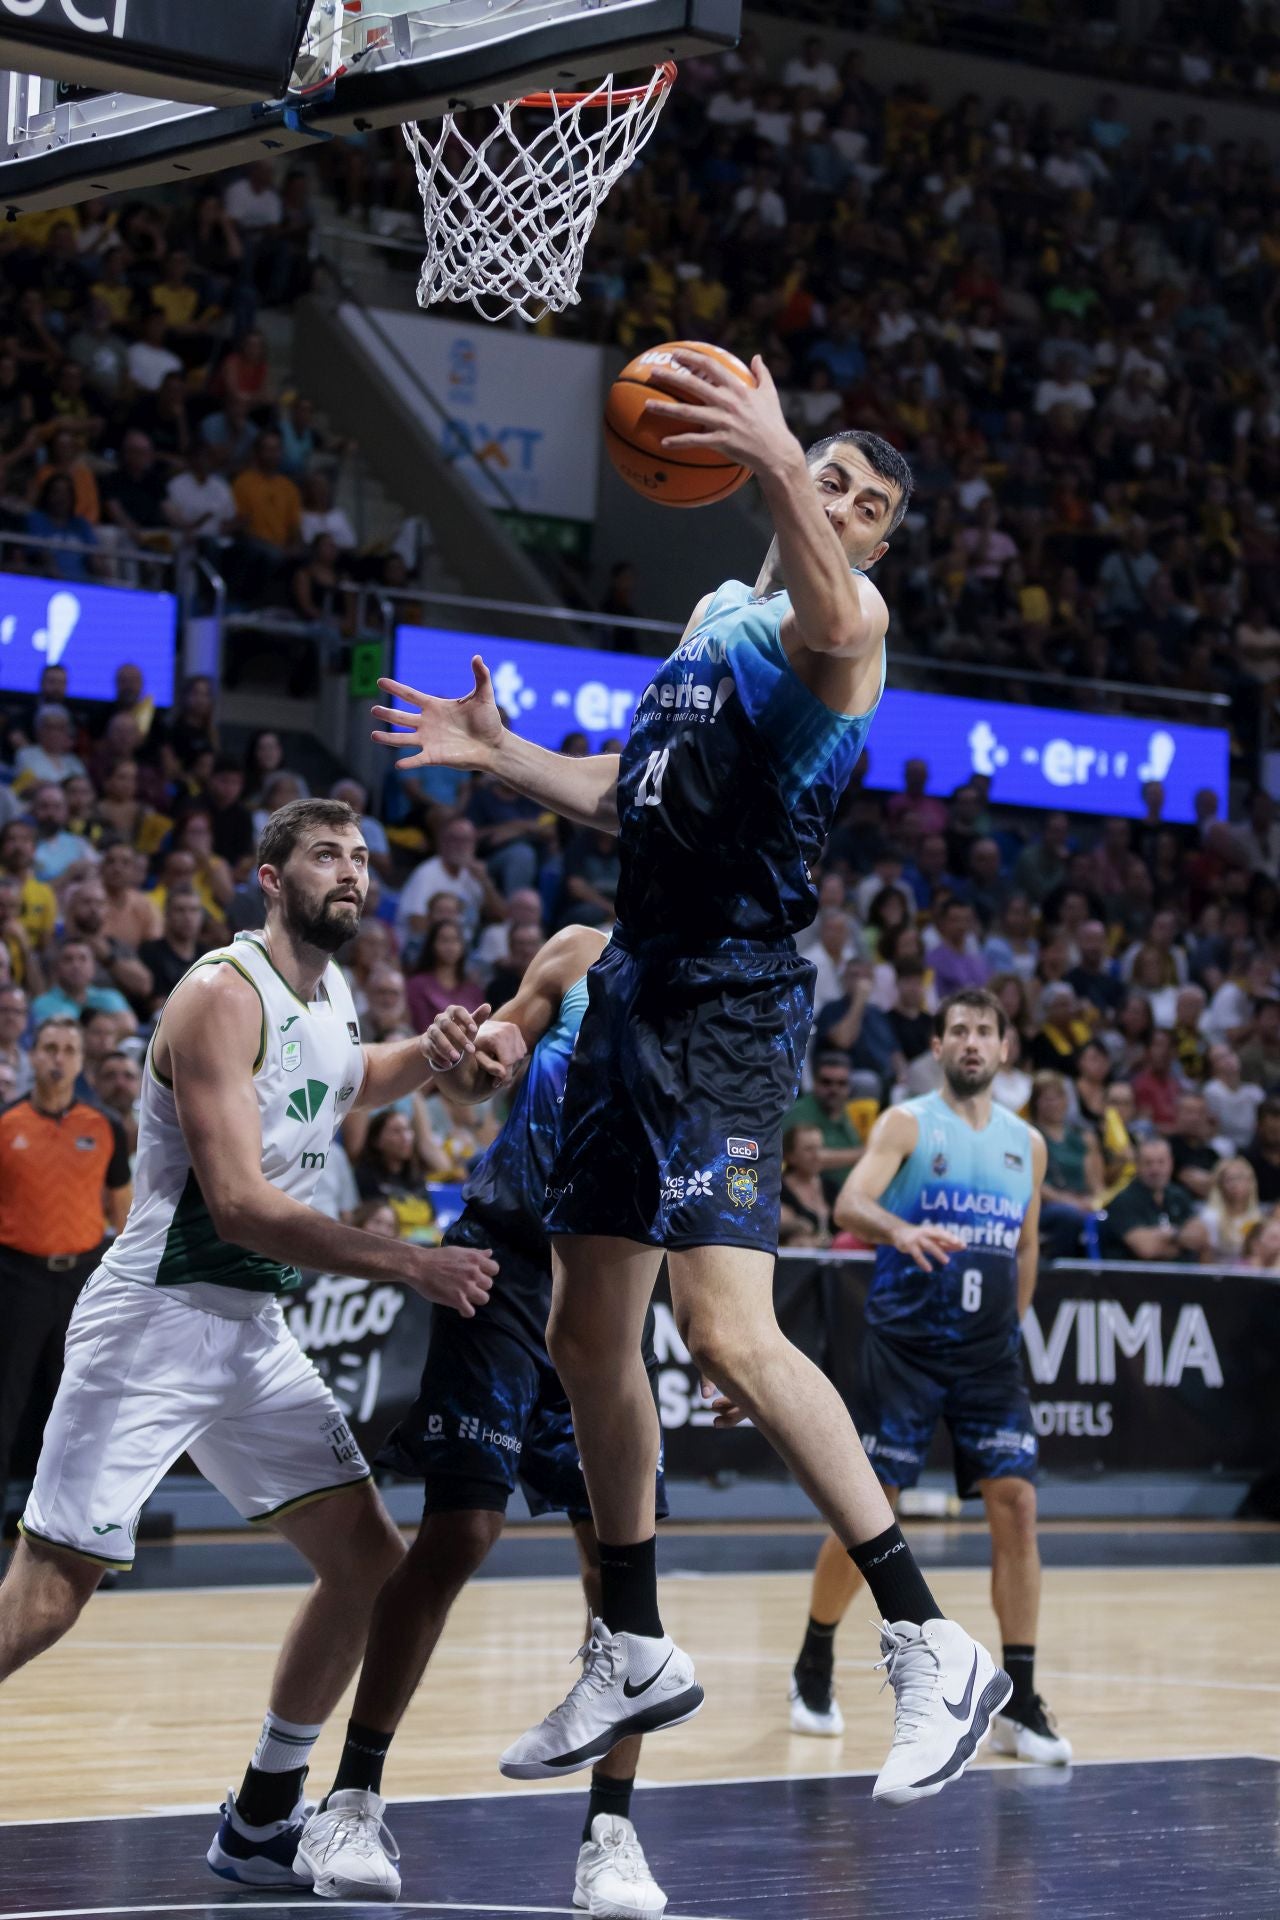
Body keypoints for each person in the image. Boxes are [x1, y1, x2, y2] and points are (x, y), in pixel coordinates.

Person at [374, 392, 1005, 1812]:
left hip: (730, 1003)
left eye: (869, 502)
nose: (843, 506)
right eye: (830, 482)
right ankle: (633, 1639)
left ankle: (926, 1638)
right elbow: (631, 792)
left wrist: (785, 455)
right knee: (585, 1325)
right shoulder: (718, 612)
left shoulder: (841, 637)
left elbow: (838, 623)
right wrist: (507, 758)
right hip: (633, 999)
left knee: (721, 1329)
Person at [0, 800, 497, 1891]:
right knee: (50, 1592)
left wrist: (435, 1048)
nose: (351, 874)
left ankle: (262, 1817)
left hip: (248, 1332)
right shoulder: (222, 996)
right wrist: (408, 1263)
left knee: (370, 1565)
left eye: (362, 859)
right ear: (268, 878)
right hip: (157, 1321)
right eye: (326, 855)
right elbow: (236, 1206)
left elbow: (354, 1079)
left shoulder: (326, 1001)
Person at [295, 930, 668, 1913]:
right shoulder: (577, 953)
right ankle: (351, 1800)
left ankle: (610, 1836)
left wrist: (725, 1332)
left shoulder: (732, 991)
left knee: (620, 1569)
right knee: (460, 1531)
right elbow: (478, 1081)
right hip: (500, 1264)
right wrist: (472, 1064)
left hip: (615, 1290)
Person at [788, 989, 1068, 1767]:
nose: (972, 1042)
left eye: (985, 1031)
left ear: (1005, 1051)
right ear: (938, 1048)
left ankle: (1021, 1695)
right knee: (870, 1506)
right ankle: (814, 1658)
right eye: (959, 1032)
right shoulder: (908, 1122)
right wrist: (900, 1227)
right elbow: (850, 1200)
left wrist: (1013, 1323)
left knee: (1016, 1508)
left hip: (987, 1356)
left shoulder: (1028, 1145)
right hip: (904, 1347)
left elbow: (1027, 1244)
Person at [0, 1016, 132, 1528]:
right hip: (16, 1276)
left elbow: (126, 1214)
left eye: (68, 1050)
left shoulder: (103, 1127)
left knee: (74, 1409)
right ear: (33, 1056)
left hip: (81, 1281)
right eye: (49, 1047)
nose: (57, 1057)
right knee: (6, 1405)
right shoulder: (7, 1123)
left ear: (81, 1062)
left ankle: (62, 1528)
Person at [1098, 1136, 1208, 1262]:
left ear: (1171, 1163)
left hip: (1180, 1276)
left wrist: (1164, 1238)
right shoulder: (1123, 1200)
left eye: (1161, 1162)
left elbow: (1200, 1237)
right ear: (1137, 1165)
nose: (1155, 1169)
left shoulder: (1179, 1195)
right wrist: (1179, 1237)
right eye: (1148, 1163)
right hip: (1135, 1277)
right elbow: (1146, 1249)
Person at [779, 1123, 834, 1247]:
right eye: (809, 1149)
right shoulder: (778, 1191)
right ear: (790, 1156)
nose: (817, 1155)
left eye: (820, 1148)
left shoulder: (831, 1188)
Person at [1199, 1157, 1261, 1263]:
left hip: (1251, 1274)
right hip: (1219, 1275)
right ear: (1219, 1185)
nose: (1236, 1184)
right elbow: (1205, 1258)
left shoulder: (1257, 1216)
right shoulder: (1210, 1217)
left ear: (1252, 1182)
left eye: (1242, 1178)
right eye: (1231, 1179)